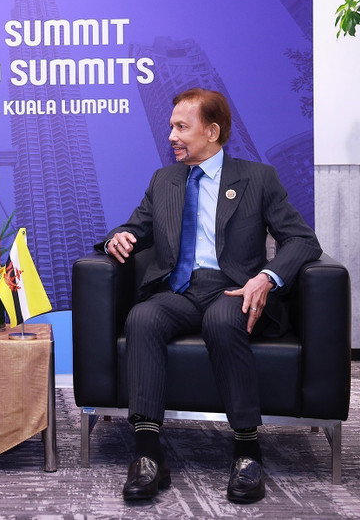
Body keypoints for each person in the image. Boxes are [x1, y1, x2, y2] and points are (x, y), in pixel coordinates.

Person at [98, 88, 321, 504]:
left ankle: (247, 451)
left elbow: (303, 242)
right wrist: (121, 237)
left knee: (222, 320)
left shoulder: (258, 178)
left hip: (232, 288)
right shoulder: (164, 180)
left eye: (182, 127)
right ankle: (148, 454)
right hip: (180, 289)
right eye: (171, 127)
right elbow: (135, 227)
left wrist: (266, 278)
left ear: (212, 131)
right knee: (142, 318)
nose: (172, 136)